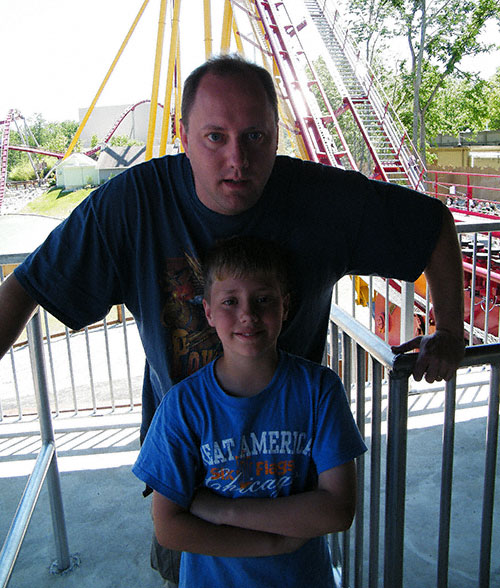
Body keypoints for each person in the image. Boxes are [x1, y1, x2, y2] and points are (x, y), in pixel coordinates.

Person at [0, 54, 464, 582]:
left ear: (277, 135)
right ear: (182, 134)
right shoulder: (131, 205)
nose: (236, 160)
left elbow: (432, 225)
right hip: (188, 480)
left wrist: (451, 327)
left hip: (288, 476)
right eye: (214, 137)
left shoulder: (326, 200)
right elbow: (24, 288)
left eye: (255, 138)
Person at [132, 236, 367, 587]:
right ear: (208, 312)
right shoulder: (184, 406)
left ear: (285, 307)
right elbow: (169, 527)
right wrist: (273, 543)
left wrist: (223, 511)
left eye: (263, 299)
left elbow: (337, 509)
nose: (248, 315)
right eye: (230, 301)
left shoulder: (319, 390)